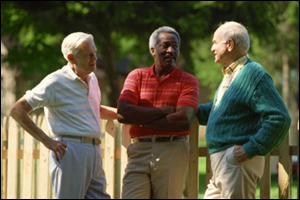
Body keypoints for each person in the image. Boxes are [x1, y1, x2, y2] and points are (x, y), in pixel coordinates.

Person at [8, 32, 117, 199]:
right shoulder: (55, 81)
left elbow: (95, 109)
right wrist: (46, 140)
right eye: (89, 55)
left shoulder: (93, 78)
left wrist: (128, 115)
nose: (95, 58)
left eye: (95, 53)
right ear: (71, 58)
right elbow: (17, 110)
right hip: (71, 150)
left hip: (94, 149)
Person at [196, 21, 291, 199]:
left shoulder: (253, 74)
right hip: (223, 165)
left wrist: (251, 148)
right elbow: (219, 110)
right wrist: (186, 109)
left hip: (236, 162)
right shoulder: (232, 74)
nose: (211, 48)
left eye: (215, 42)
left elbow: (280, 118)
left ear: (230, 44)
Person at [117, 26, 199, 199]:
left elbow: (183, 120)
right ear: (153, 50)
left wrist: (139, 118)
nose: (171, 50)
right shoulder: (136, 76)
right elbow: (124, 113)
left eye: (175, 47)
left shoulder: (188, 81)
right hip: (139, 150)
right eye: (165, 45)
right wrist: (163, 111)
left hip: (172, 151)